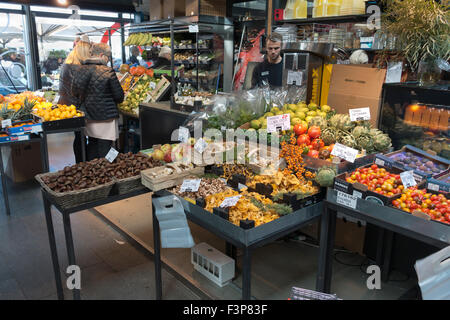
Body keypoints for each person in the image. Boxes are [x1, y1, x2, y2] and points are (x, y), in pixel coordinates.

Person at [73, 43, 124, 161]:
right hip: (105, 117)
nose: (108, 60)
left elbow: (74, 92)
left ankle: (93, 174)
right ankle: (106, 174)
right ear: (102, 55)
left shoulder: (79, 70)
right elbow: (119, 96)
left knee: (92, 144)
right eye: (108, 57)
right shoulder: (108, 71)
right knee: (105, 148)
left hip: (87, 116)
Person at [58, 38, 91, 163]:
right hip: (76, 107)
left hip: (67, 107)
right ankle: (83, 163)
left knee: (78, 137)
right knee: (81, 138)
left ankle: (80, 162)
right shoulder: (77, 68)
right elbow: (81, 91)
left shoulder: (67, 64)